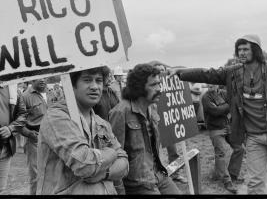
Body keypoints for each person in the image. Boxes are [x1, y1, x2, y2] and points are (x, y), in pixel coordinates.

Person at [169, 34, 267, 194]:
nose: (241, 52)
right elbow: (207, 73)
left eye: (246, 49)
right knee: (255, 183)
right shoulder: (233, 73)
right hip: (253, 138)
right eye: (239, 49)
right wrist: (181, 72)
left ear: (255, 50)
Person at [36, 66, 129, 195]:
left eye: (98, 80)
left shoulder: (101, 123)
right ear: (72, 85)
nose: (95, 86)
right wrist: (112, 153)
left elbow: (124, 164)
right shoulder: (57, 117)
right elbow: (85, 166)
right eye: (87, 80)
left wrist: (105, 173)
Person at [109, 63, 182, 194]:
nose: (160, 89)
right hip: (138, 183)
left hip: (158, 174)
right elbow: (114, 156)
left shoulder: (152, 107)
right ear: (139, 88)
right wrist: (120, 191)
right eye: (154, 85)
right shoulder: (120, 112)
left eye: (159, 84)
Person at [148, 60, 187, 183]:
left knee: (173, 151)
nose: (162, 72)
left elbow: (183, 67)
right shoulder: (150, 85)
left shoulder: (171, 82)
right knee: (154, 152)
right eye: (158, 70)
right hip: (154, 123)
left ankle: (175, 174)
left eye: (163, 70)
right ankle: (155, 176)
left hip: (169, 121)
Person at [202, 84, 245, 194]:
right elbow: (215, 112)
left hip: (227, 126)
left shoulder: (224, 93)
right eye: (209, 83)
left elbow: (234, 104)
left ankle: (233, 175)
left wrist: (226, 106)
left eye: (213, 83)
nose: (211, 85)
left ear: (216, 84)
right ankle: (227, 181)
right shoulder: (206, 97)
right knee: (220, 153)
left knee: (240, 148)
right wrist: (228, 105)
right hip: (215, 129)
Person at [20, 78, 50, 195]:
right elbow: (18, 122)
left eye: (45, 77)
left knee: (52, 174)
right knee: (36, 176)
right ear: (31, 79)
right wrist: (29, 134)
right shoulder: (24, 97)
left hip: (52, 139)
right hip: (34, 140)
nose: (43, 80)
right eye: (39, 77)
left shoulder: (51, 93)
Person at [0, 85, 27, 194]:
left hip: (5, 147)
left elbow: (23, 114)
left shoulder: (12, 89)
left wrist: (11, 128)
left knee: (1, 188)